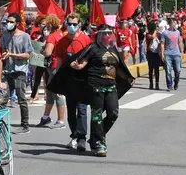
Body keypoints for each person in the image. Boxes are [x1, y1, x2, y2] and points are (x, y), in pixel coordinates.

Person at [69, 25, 134, 157]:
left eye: (109, 32)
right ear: (98, 34)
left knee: (113, 113)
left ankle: (97, 135)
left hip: (111, 86)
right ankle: (98, 143)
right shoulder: (93, 48)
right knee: (97, 115)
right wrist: (76, 66)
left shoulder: (113, 50)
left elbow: (118, 67)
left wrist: (127, 77)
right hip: (95, 86)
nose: (107, 35)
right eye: (104, 32)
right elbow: (82, 63)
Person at [49, 13, 93, 151]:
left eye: (75, 24)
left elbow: (91, 59)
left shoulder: (86, 40)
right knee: (71, 110)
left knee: (82, 109)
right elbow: (59, 62)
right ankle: (74, 134)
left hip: (83, 80)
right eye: (70, 24)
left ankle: (81, 138)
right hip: (69, 81)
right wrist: (57, 81)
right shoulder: (61, 42)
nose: (72, 26)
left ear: (79, 25)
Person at [0, 13, 33, 134]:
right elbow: (2, 50)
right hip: (8, 70)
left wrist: (12, 54)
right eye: (7, 21)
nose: (9, 24)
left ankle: (25, 125)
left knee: (21, 97)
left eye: (11, 22)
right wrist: (4, 55)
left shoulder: (25, 36)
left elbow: (28, 55)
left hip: (20, 70)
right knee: (3, 98)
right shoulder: (5, 35)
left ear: (17, 24)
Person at [38, 15, 66, 129]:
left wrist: (42, 50)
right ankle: (46, 117)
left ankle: (61, 120)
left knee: (57, 94)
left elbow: (48, 52)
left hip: (54, 66)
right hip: (58, 66)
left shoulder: (51, 37)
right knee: (50, 93)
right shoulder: (60, 34)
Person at [160, 18, 183, 91]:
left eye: (175, 23)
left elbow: (180, 42)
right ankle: (169, 85)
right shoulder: (165, 33)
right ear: (170, 24)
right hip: (168, 54)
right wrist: (163, 54)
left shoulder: (178, 32)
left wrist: (181, 52)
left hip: (176, 53)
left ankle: (176, 82)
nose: (175, 24)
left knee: (178, 70)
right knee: (168, 71)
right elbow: (162, 44)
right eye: (173, 23)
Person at [144, 22, 163, 90]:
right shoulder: (147, 34)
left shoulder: (158, 34)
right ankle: (151, 84)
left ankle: (157, 84)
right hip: (150, 53)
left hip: (156, 53)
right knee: (151, 69)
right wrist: (155, 31)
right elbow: (152, 37)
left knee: (157, 69)